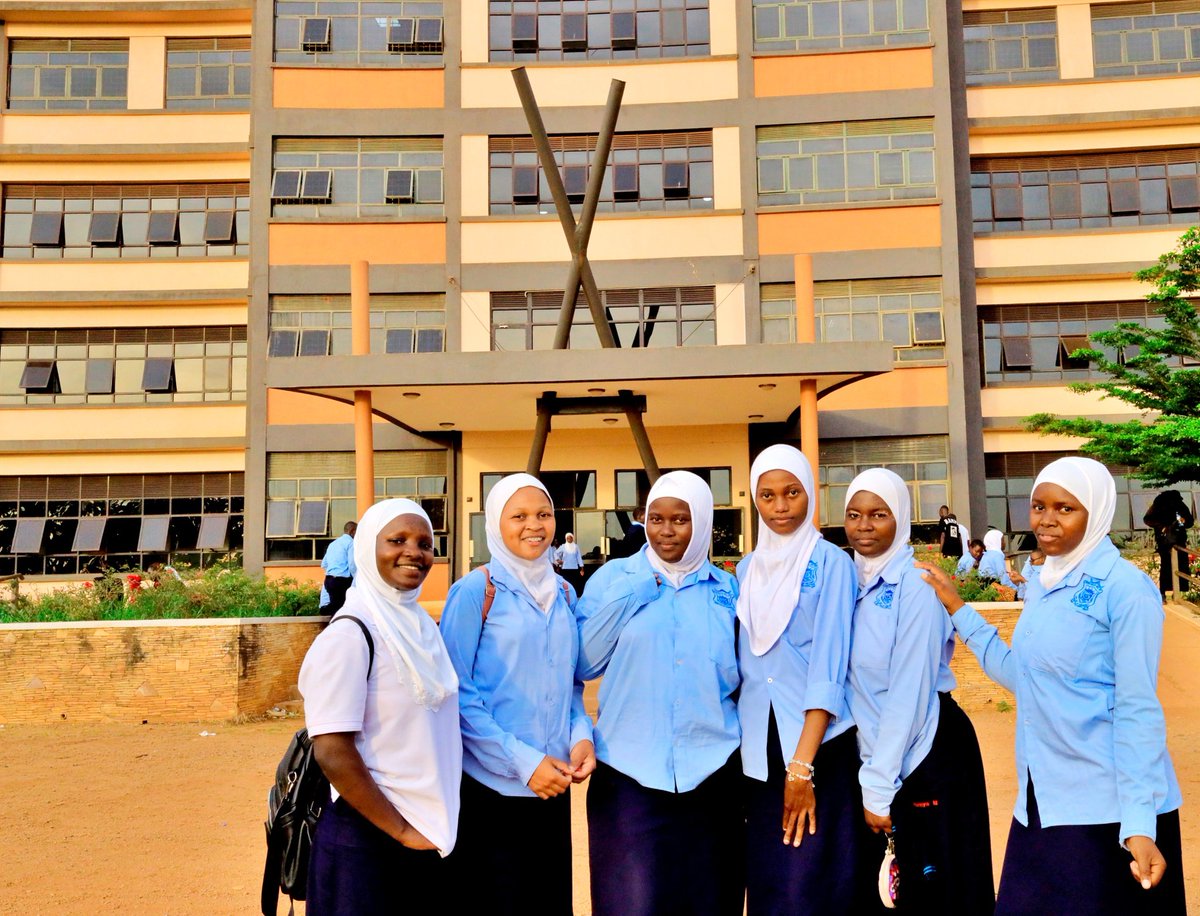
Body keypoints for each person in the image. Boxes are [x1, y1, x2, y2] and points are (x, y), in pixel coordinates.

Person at [917, 456, 1186, 915]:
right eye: (1038, 506)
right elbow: (1023, 674)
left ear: (1096, 511)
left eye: (1065, 508)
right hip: (1040, 800)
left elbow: (1137, 710)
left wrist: (1139, 823)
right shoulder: (1044, 581)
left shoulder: (1126, 589)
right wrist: (958, 607)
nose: (1046, 519)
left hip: (1107, 812)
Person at [576, 471, 743, 916]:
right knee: (632, 904)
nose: (666, 531)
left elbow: (744, 677)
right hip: (630, 777)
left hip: (714, 775)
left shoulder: (727, 590)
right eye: (656, 519)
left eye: (681, 520)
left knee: (711, 901)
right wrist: (639, 586)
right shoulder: (614, 578)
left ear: (703, 523)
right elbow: (584, 662)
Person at [440, 474, 595, 915]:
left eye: (544, 514)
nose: (534, 525)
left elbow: (569, 685)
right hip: (492, 790)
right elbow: (457, 695)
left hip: (551, 789)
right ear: (495, 523)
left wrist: (581, 734)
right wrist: (525, 764)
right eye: (519, 516)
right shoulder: (475, 591)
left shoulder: (564, 592)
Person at [298, 499, 461, 913]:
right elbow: (332, 750)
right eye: (397, 540)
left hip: (424, 836)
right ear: (367, 549)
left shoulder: (421, 626)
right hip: (367, 840)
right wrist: (402, 830)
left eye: (425, 543)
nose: (414, 552)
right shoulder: (350, 636)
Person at [844, 469, 994, 914]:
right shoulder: (847, 581)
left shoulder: (917, 585)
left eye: (879, 514)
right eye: (854, 514)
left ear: (902, 519)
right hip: (875, 756)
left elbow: (909, 692)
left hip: (926, 751)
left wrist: (878, 783)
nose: (864, 526)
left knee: (935, 890)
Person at [735, 445, 871, 914]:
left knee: (812, 885)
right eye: (767, 495)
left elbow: (829, 669)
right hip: (759, 749)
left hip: (816, 746)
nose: (780, 507)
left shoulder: (832, 562)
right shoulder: (746, 569)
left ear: (809, 494)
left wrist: (802, 765)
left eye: (792, 493)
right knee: (770, 883)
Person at [1144, 490, 1194, 598]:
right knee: (1167, 566)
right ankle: (1164, 592)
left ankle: (1176, 592)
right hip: (1165, 541)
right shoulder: (1160, 505)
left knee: (1179, 565)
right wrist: (1162, 526)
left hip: (1177, 541)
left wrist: (1182, 522)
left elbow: (1189, 521)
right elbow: (1148, 519)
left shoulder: (1179, 505)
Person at [321, 521, 358, 613]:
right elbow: (352, 565)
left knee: (336, 607)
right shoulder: (351, 543)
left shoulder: (333, 544)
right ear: (352, 531)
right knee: (342, 609)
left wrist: (333, 572)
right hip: (342, 581)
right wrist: (356, 580)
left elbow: (324, 564)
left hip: (329, 580)